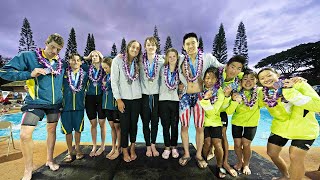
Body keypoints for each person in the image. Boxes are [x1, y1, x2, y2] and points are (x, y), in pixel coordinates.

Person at [0, 33, 64, 180]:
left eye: (58, 50)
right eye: (52, 47)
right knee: (24, 135)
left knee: (52, 130)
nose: (54, 52)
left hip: (55, 104)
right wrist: (30, 74)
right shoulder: (28, 56)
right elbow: (4, 72)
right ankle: (28, 169)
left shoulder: (61, 63)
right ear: (46, 43)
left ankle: (50, 159)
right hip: (35, 103)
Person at [258, 68, 320, 180]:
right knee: (272, 152)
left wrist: (290, 91)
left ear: (277, 74)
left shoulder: (298, 84)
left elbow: (317, 105)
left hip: (303, 129)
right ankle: (285, 175)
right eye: (262, 78)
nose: (266, 79)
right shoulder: (264, 94)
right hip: (280, 128)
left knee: (295, 156)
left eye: (269, 75)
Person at [178, 32, 224, 168]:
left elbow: (222, 68)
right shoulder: (181, 59)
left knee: (199, 128)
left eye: (193, 42)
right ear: (184, 46)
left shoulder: (207, 57)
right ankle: (186, 153)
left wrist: (241, 73)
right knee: (184, 126)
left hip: (200, 96)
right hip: (185, 97)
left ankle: (198, 155)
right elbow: (167, 60)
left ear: (197, 44)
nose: (190, 46)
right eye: (187, 44)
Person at [111, 40, 142, 162]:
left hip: (137, 99)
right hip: (123, 99)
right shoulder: (117, 60)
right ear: (128, 47)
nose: (135, 50)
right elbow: (114, 81)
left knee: (134, 125)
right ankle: (124, 150)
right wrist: (118, 99)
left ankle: (132, 148)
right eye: (133, 47)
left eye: (137, 48)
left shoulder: (138, 62)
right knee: (124, 127)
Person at [226, 69, 261, 175]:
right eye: (245, 79)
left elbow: (267, 103)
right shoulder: (236, 92)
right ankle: (239, 162)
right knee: (237, 144)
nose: (248, 81)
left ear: (256, 81)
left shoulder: (259, 92)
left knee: (246, 144)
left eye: (252, 79)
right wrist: (233, 100)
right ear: (240, 81)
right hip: (237, 122)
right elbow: (229, 111)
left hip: (251, 123)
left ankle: (246, 164)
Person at [200, 67, 229, 178]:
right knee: (207, 143)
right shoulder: (200, 89)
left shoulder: (220, 92)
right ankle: (202, 159)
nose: (209, 81)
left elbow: (213, 112)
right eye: (207, 78)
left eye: (213, 78)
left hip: (216, 122)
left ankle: (219, 165)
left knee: (217, 143)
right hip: (203, 122)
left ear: (217, 80)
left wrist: (206, 100)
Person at [60, 53, 88, 162]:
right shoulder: (63, 74)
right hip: (65, 107)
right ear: (69, 62)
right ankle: (69, 151)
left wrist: (86, 58)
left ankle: (77, 149)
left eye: (78, 60)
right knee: (67, 131)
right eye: (73, 60)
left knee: (78, 130)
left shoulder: (85, 75)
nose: (75, 62)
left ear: (81, 62)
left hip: (79, 107)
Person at [140, 37, 165, 157]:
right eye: (148, 45)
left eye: (153, 45)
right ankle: (148, 146)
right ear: (145, 46)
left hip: (156, 96)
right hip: (144, 96)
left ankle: (153, 145)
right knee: (145, 123)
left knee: (155, 122)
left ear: (156, 47)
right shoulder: (139, 60)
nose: (151, 47)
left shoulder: (161, 60)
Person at [83, 50, 106, 157]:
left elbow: (112, 59)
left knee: (102, 123)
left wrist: (101, 55)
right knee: (93, 124)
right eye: (92, 56)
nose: (94, 58)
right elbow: (76, 63)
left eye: (96, 56)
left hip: (101, 97)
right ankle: (94, 146)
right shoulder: (87, 69)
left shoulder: (104, 69)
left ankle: (102, 146)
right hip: (90, 98)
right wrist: (86, 57)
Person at [159, 48, 180, 159]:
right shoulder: (162, 69)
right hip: (163, 100)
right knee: (165, 125)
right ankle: (167, 147)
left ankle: (174, 147)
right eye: (170, 56)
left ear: (177, 57)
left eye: (174, 56)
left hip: (175, 101)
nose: (172, 58)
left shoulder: (180, 69)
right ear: (166, 57)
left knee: (175, 125)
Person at [101, 57, 121, 160]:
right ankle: (113, 147)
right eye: (103, 68)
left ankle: (119, 148)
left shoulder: (116, 76)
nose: (105, 70)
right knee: (112, 127)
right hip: (107, 106)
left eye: (106, 68)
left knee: (118, 128)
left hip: (115, 106)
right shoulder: (105, 77)